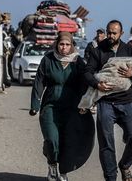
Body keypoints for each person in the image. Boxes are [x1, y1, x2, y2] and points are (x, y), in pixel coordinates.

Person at [29, 32, 93, 181]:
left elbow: (85, 84)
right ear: (57, 44)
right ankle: (52, 165)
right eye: (61, 44)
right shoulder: (48, 60)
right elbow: (39, 82)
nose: (64, 48)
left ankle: (63, 172)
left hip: (72, 108)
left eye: (67, 44)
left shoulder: (78, 62)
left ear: (72, 46)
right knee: (51, 139)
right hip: (50, 106)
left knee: (69, 141)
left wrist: (87, 104)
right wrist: (35, 104)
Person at [84, 20, 132, 181]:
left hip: (127, 101)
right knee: (106, 143)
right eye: (109, 32)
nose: (110, 35)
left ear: (121, 33)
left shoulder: (129, 49)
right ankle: (111, 177)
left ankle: (124, 165)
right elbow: (87, 72)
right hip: (106, 102)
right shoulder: (98, 51)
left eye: (114, 33)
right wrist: (97, 84)